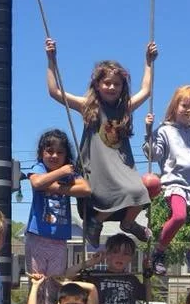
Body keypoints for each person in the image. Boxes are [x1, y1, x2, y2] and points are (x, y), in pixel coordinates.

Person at [45, 38, 157, 249]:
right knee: (124, 191)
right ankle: (95, 222)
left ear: (123, 86)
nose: (111, 87)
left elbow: (146, 90)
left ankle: (127, 222)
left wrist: (148, 62)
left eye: (116, 83)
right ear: (97, 84)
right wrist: (51, 60)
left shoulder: (124, 109)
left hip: (121, 166)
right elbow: (54, 92)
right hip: (97, 167)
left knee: (143, 190)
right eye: (106, 83)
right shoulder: (88, 107)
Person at [143, 85, 190, 276]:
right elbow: (154, 154)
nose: (188, 110)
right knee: (179, 216)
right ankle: (158, 252)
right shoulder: (165, 130)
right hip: (175, 181)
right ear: (175, 107)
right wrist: (149, 132)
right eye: (184, 105)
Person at [25, 129, 91, 304]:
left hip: (59, 240)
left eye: (59, 152)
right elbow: (37, 183)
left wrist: (56, 186)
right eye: (49, 151)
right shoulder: (39, 168)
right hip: (37, 236)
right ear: (41, 153)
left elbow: (86, 189)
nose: (54, 156)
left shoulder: (72, 174)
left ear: (66, 155)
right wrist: (61, 173)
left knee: (54, 286)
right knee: (37, 285)